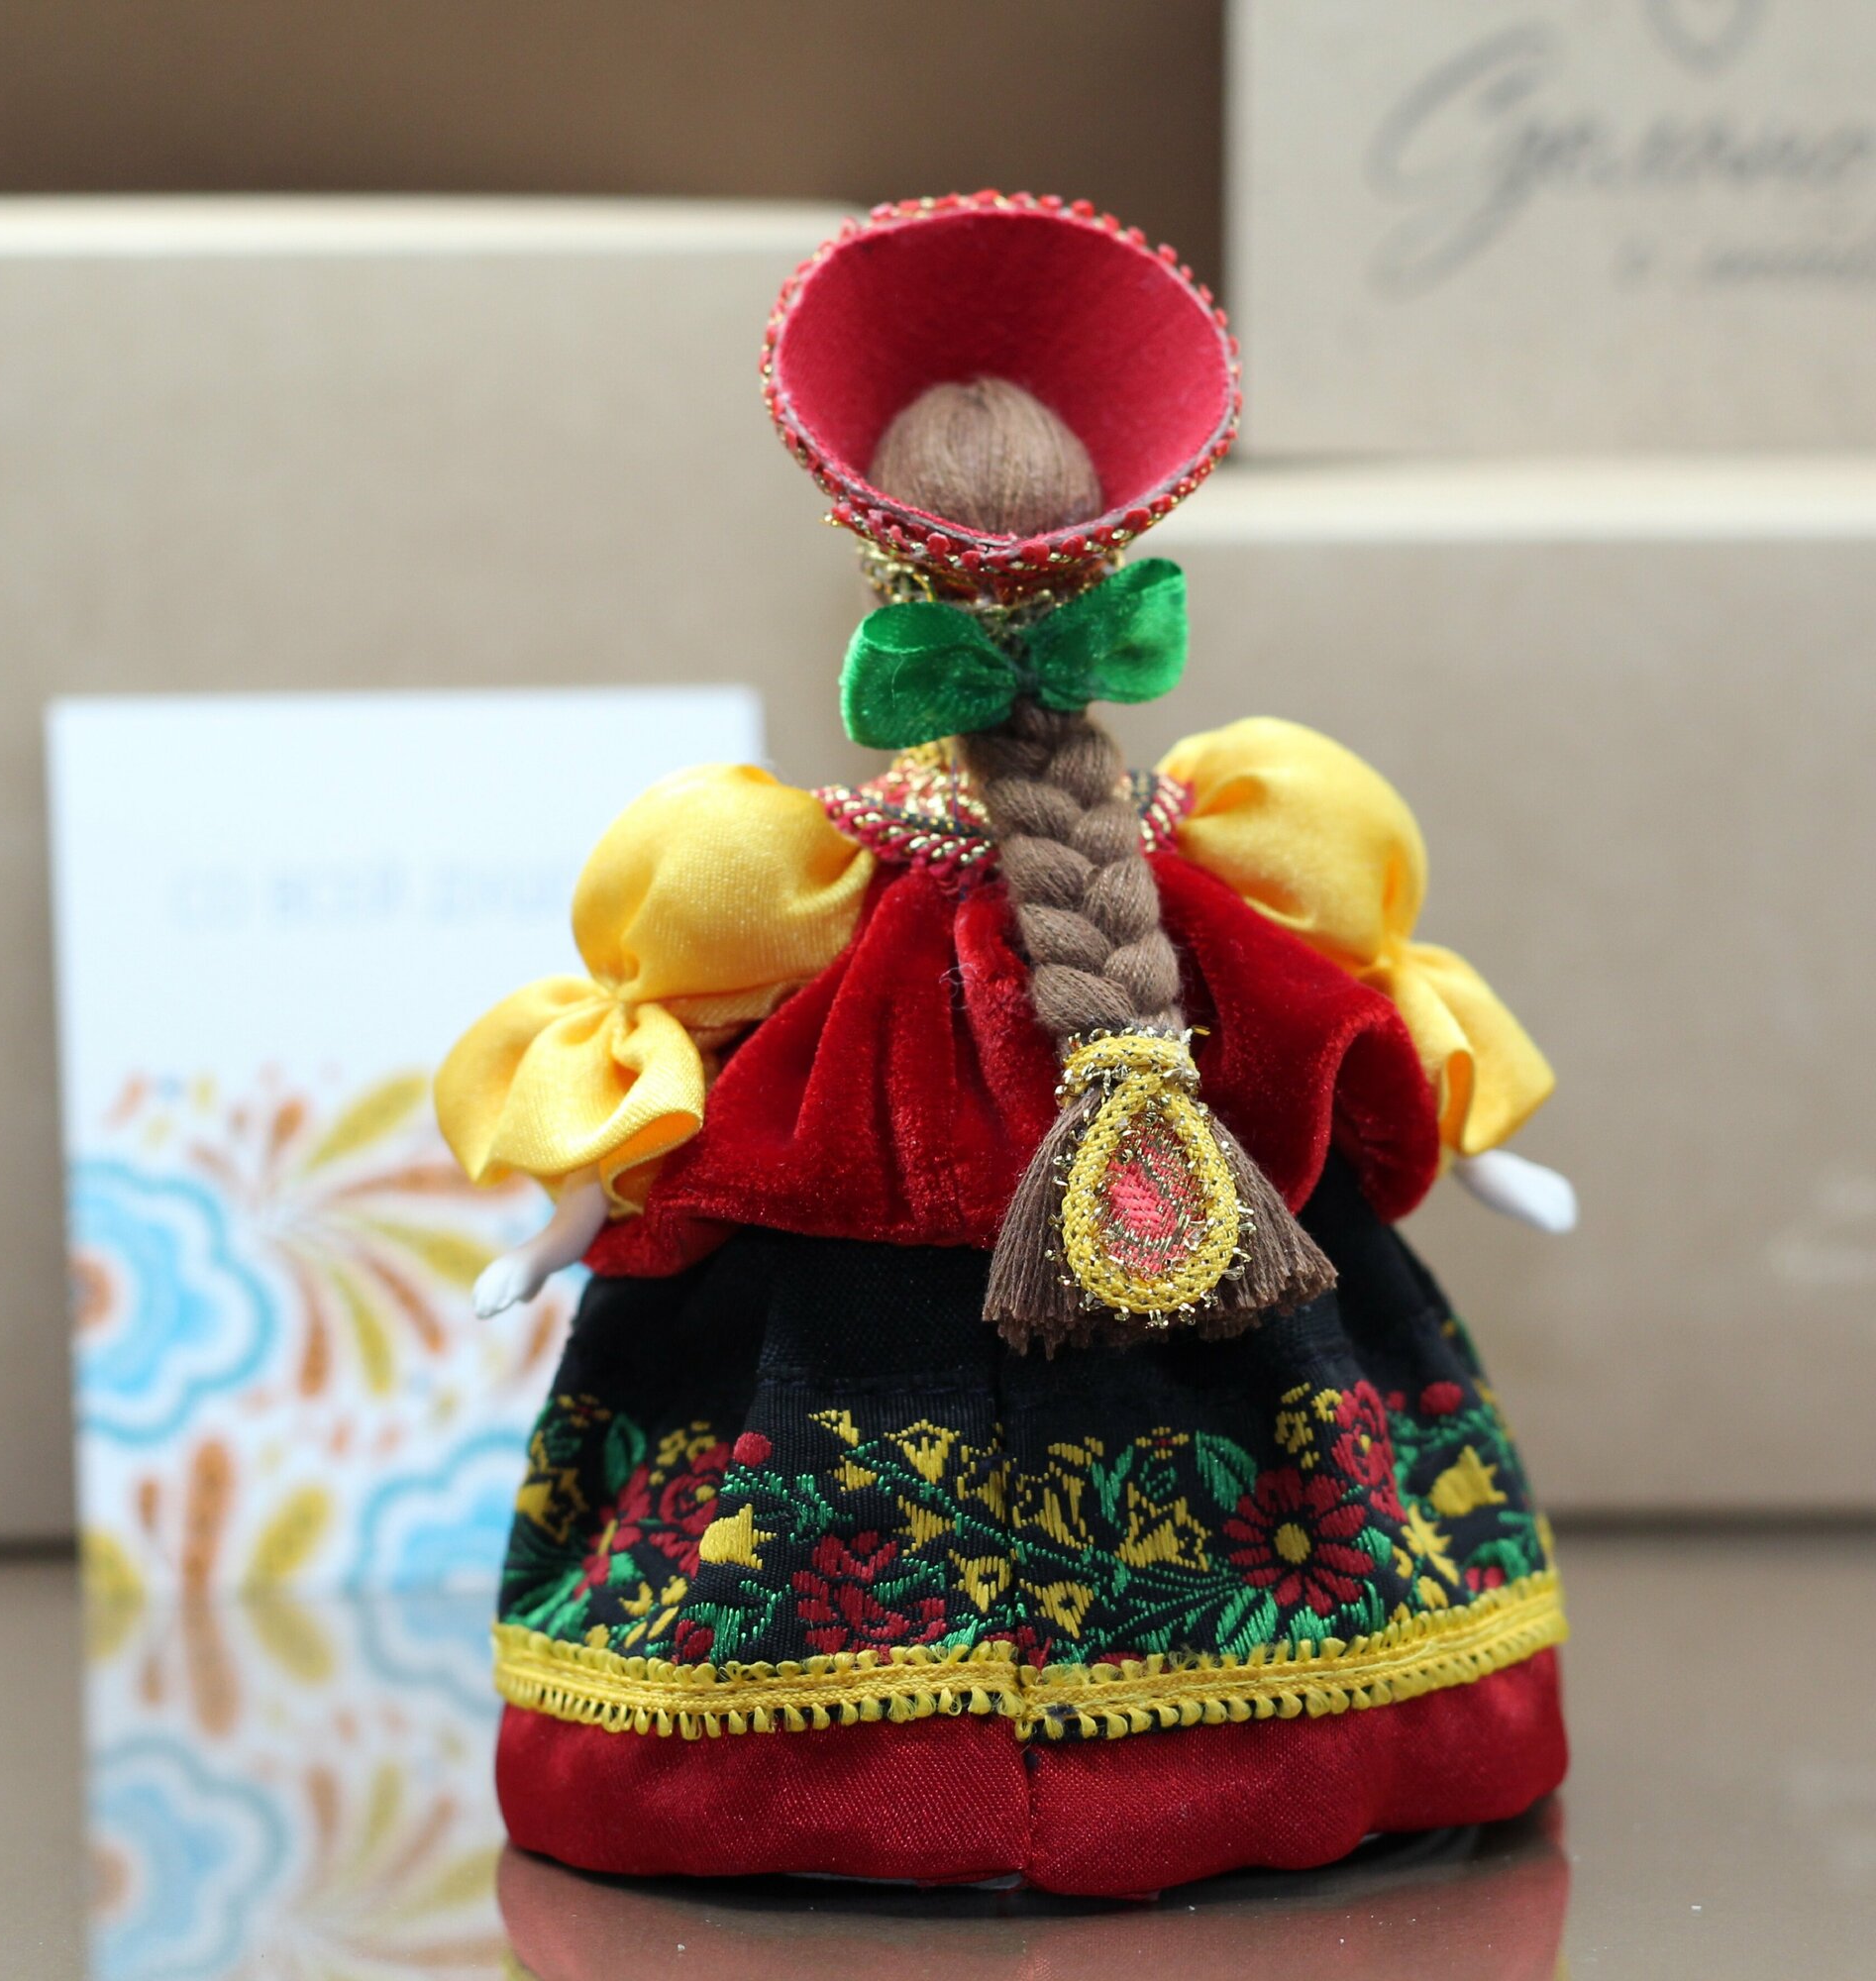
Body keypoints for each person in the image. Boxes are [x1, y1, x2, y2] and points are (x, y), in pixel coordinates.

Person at [437, 192, 1572, 1894]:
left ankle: (1219, 1749)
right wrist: (568, 1216)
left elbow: (1339, 1004)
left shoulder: (879, 870)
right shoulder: (816, 875)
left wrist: (566, 1219)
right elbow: (678, 1042)